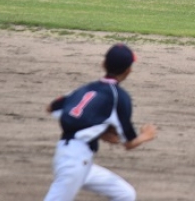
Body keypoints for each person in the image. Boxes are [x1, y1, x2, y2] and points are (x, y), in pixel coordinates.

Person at [43, 43, 157, 201]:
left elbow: (51, 107)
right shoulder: (119, 97)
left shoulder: (86, 88)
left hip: (75, 159)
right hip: (74, 162)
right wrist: (146, 135)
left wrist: (100, 130)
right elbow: (129, 143)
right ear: (128, 70)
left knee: (125, 194)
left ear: (103, 64)